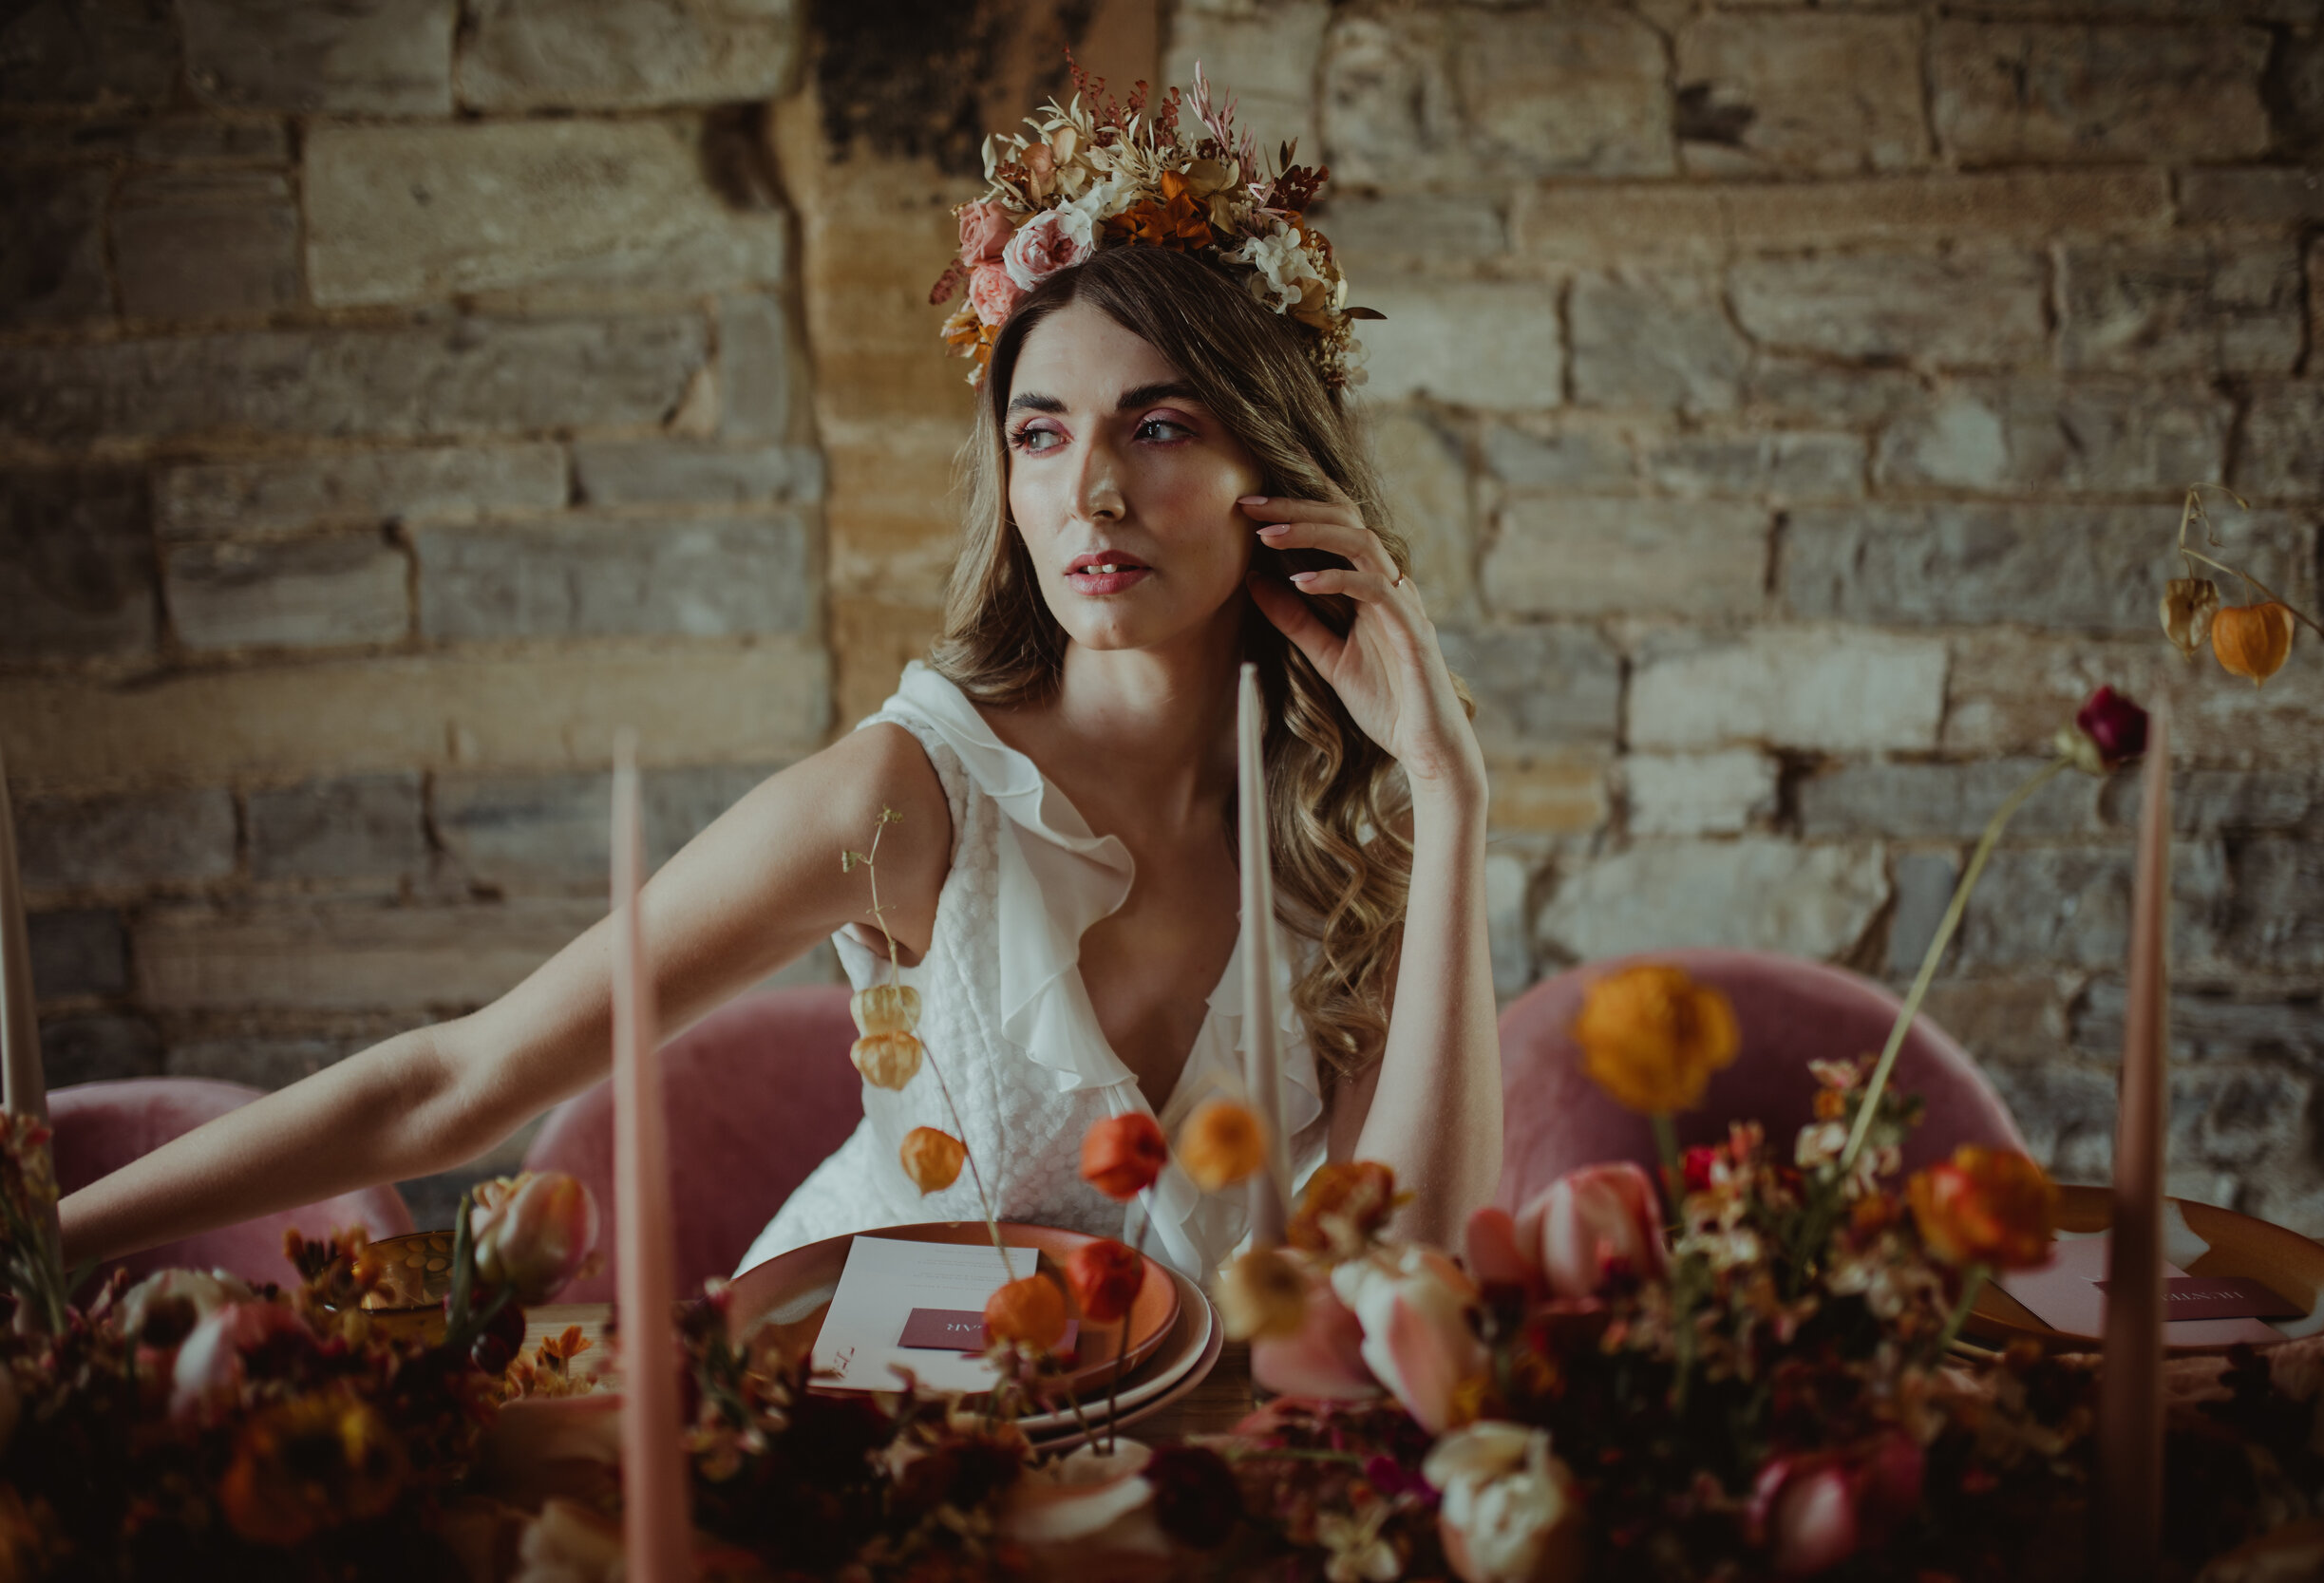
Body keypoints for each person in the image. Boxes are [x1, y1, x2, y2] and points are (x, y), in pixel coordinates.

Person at [59, 87, 1501, 1286]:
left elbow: (1414, 1262)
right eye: (1043, 433)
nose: (1094, 493)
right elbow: (456, 1083)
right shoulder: (907, 799)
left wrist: (1448, 792)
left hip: (1168, 1476)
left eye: (1162, 425)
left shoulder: (1345, 841)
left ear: (1278, 474)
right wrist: (42, 1242)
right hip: (857, 1424)